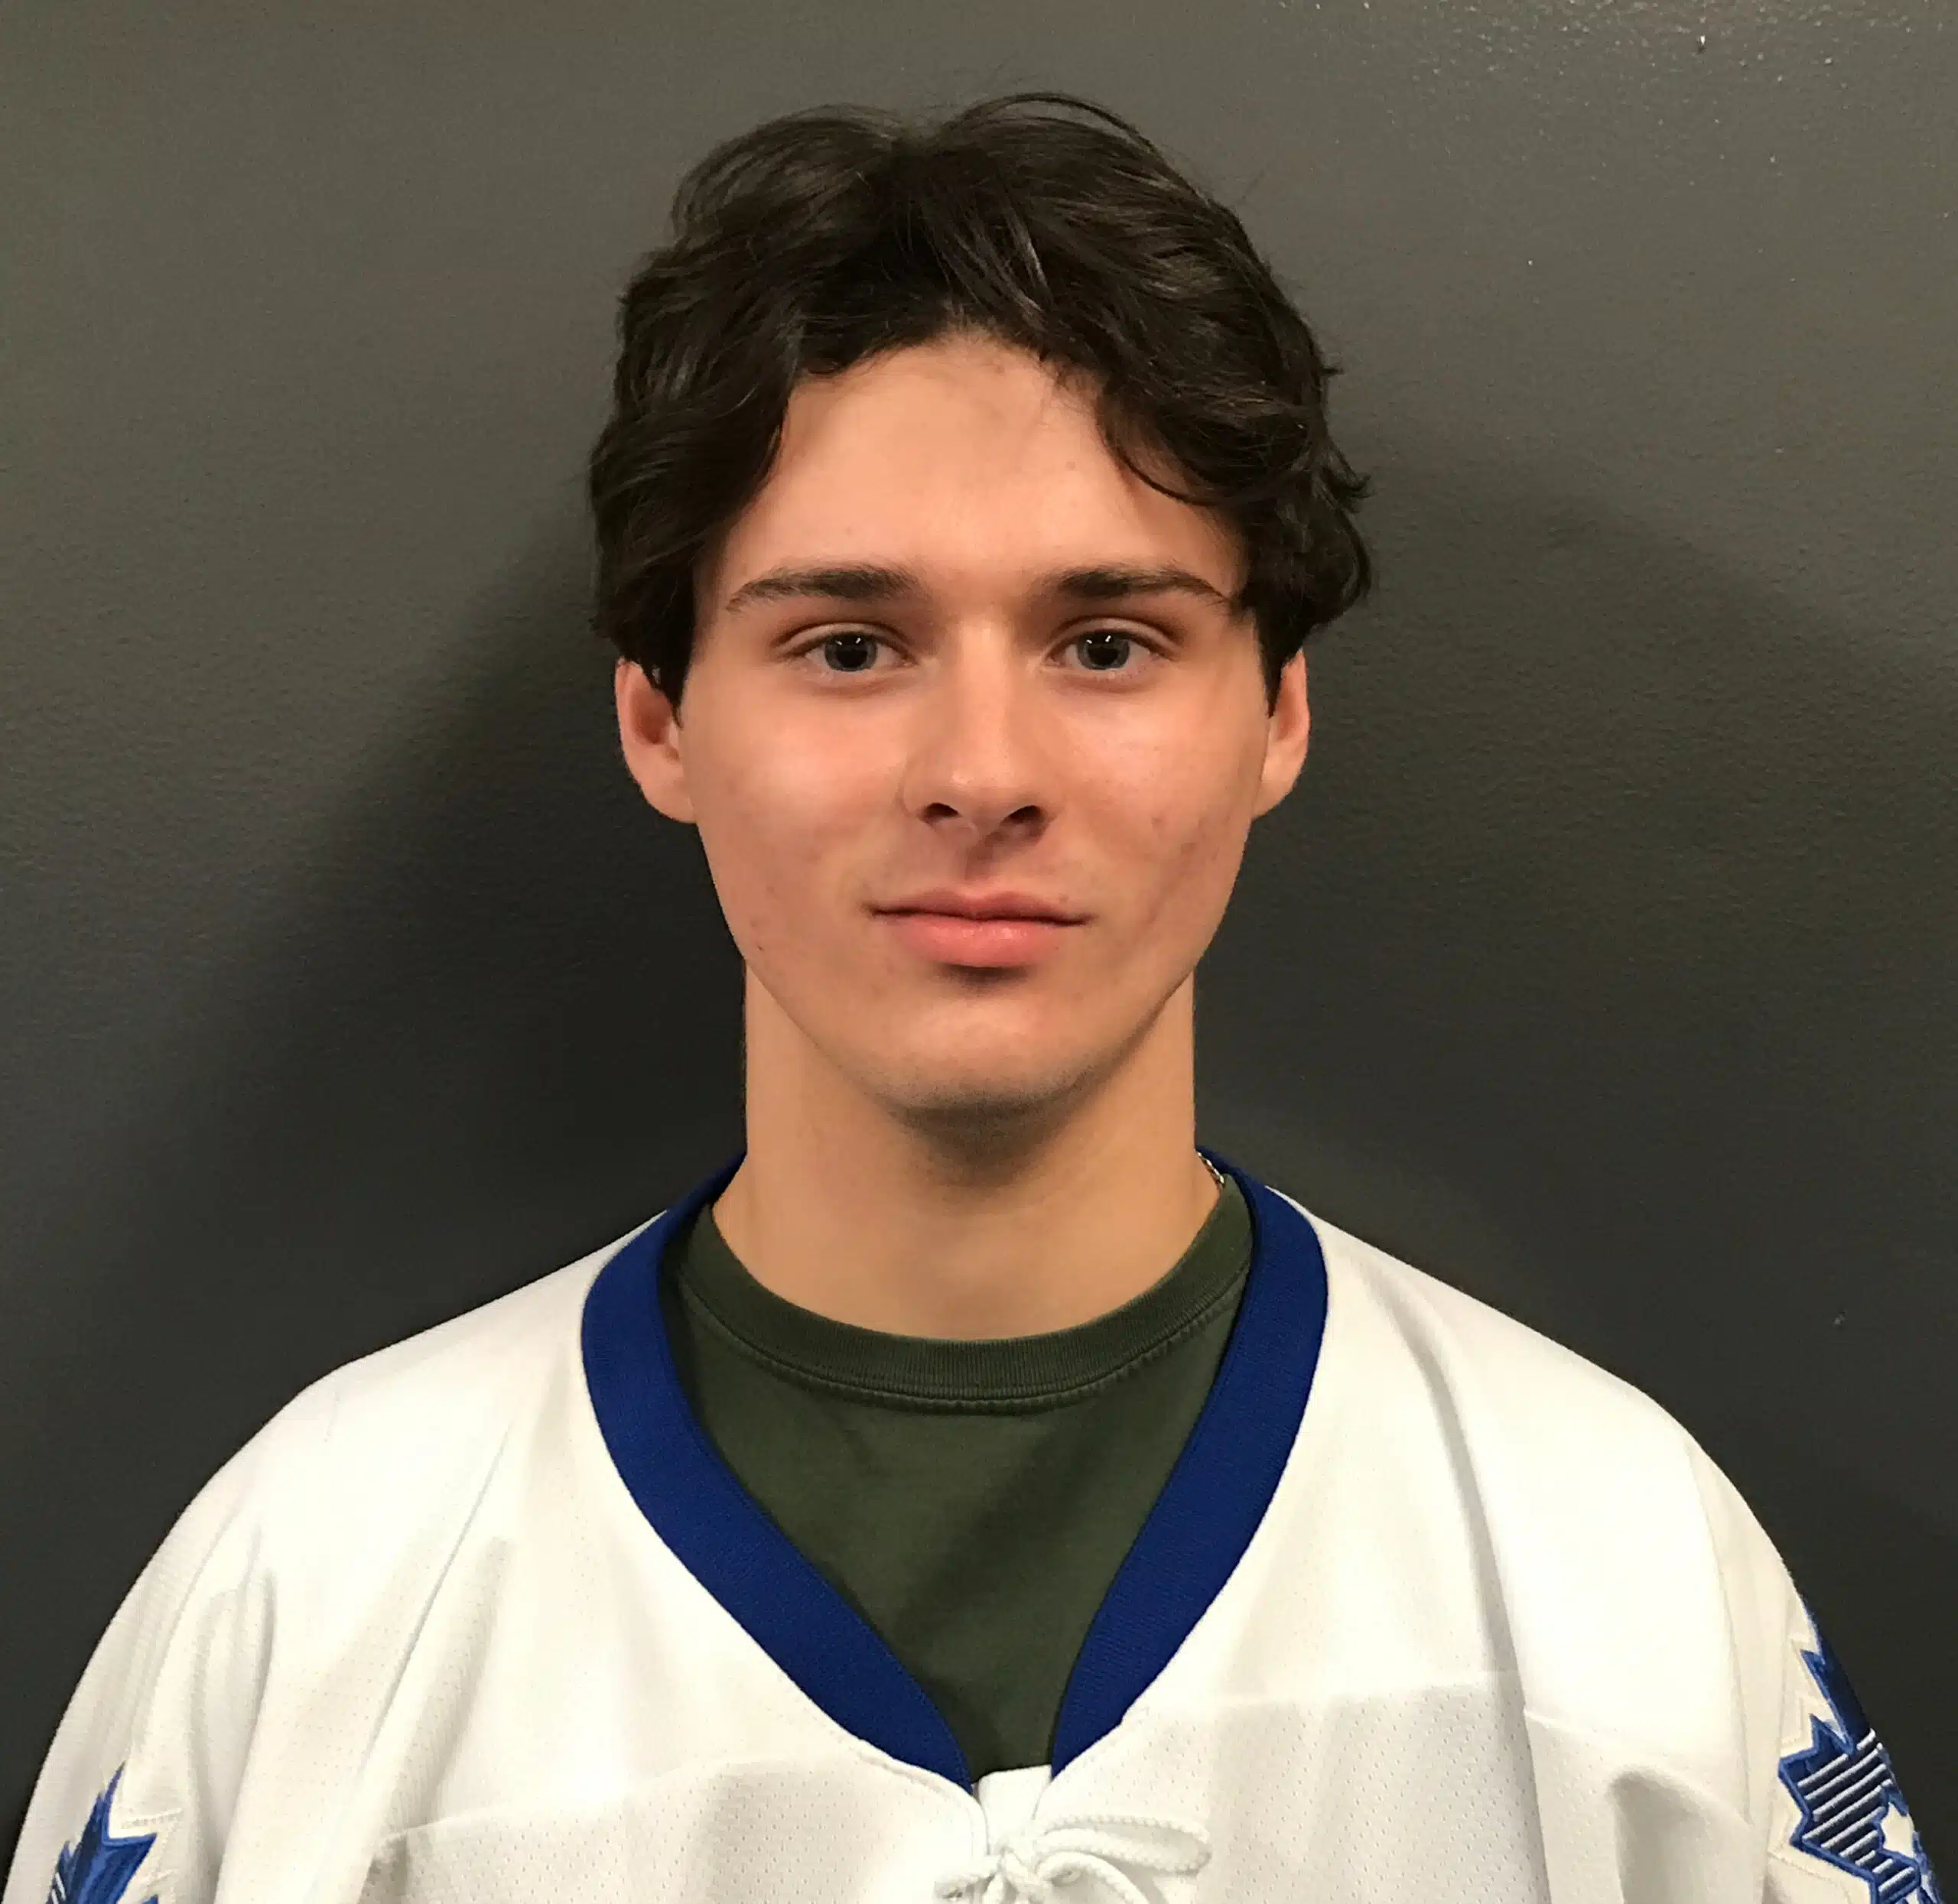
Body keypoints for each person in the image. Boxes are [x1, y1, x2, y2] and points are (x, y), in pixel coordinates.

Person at [5, 93, 1940, 1904]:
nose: (982, 771)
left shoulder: (1611, 1570)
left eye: (1107, 641)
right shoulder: (314, 1595)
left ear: (1273, 717)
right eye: (850, 645)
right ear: (661, 719)